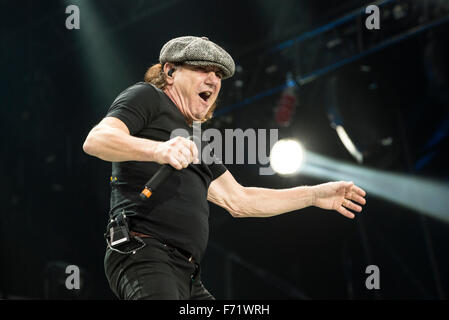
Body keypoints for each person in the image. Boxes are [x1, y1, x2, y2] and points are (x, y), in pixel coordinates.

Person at [82, 36, 367, 300]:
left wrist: (313, 195)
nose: (213, 79)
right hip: (143, 253)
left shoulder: (198, 141)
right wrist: (157, 149)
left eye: (218, 74)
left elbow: (240, 200)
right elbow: (97, 140)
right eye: (202, 69)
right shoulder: (147, 97)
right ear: (169, 72)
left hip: (188, 274)